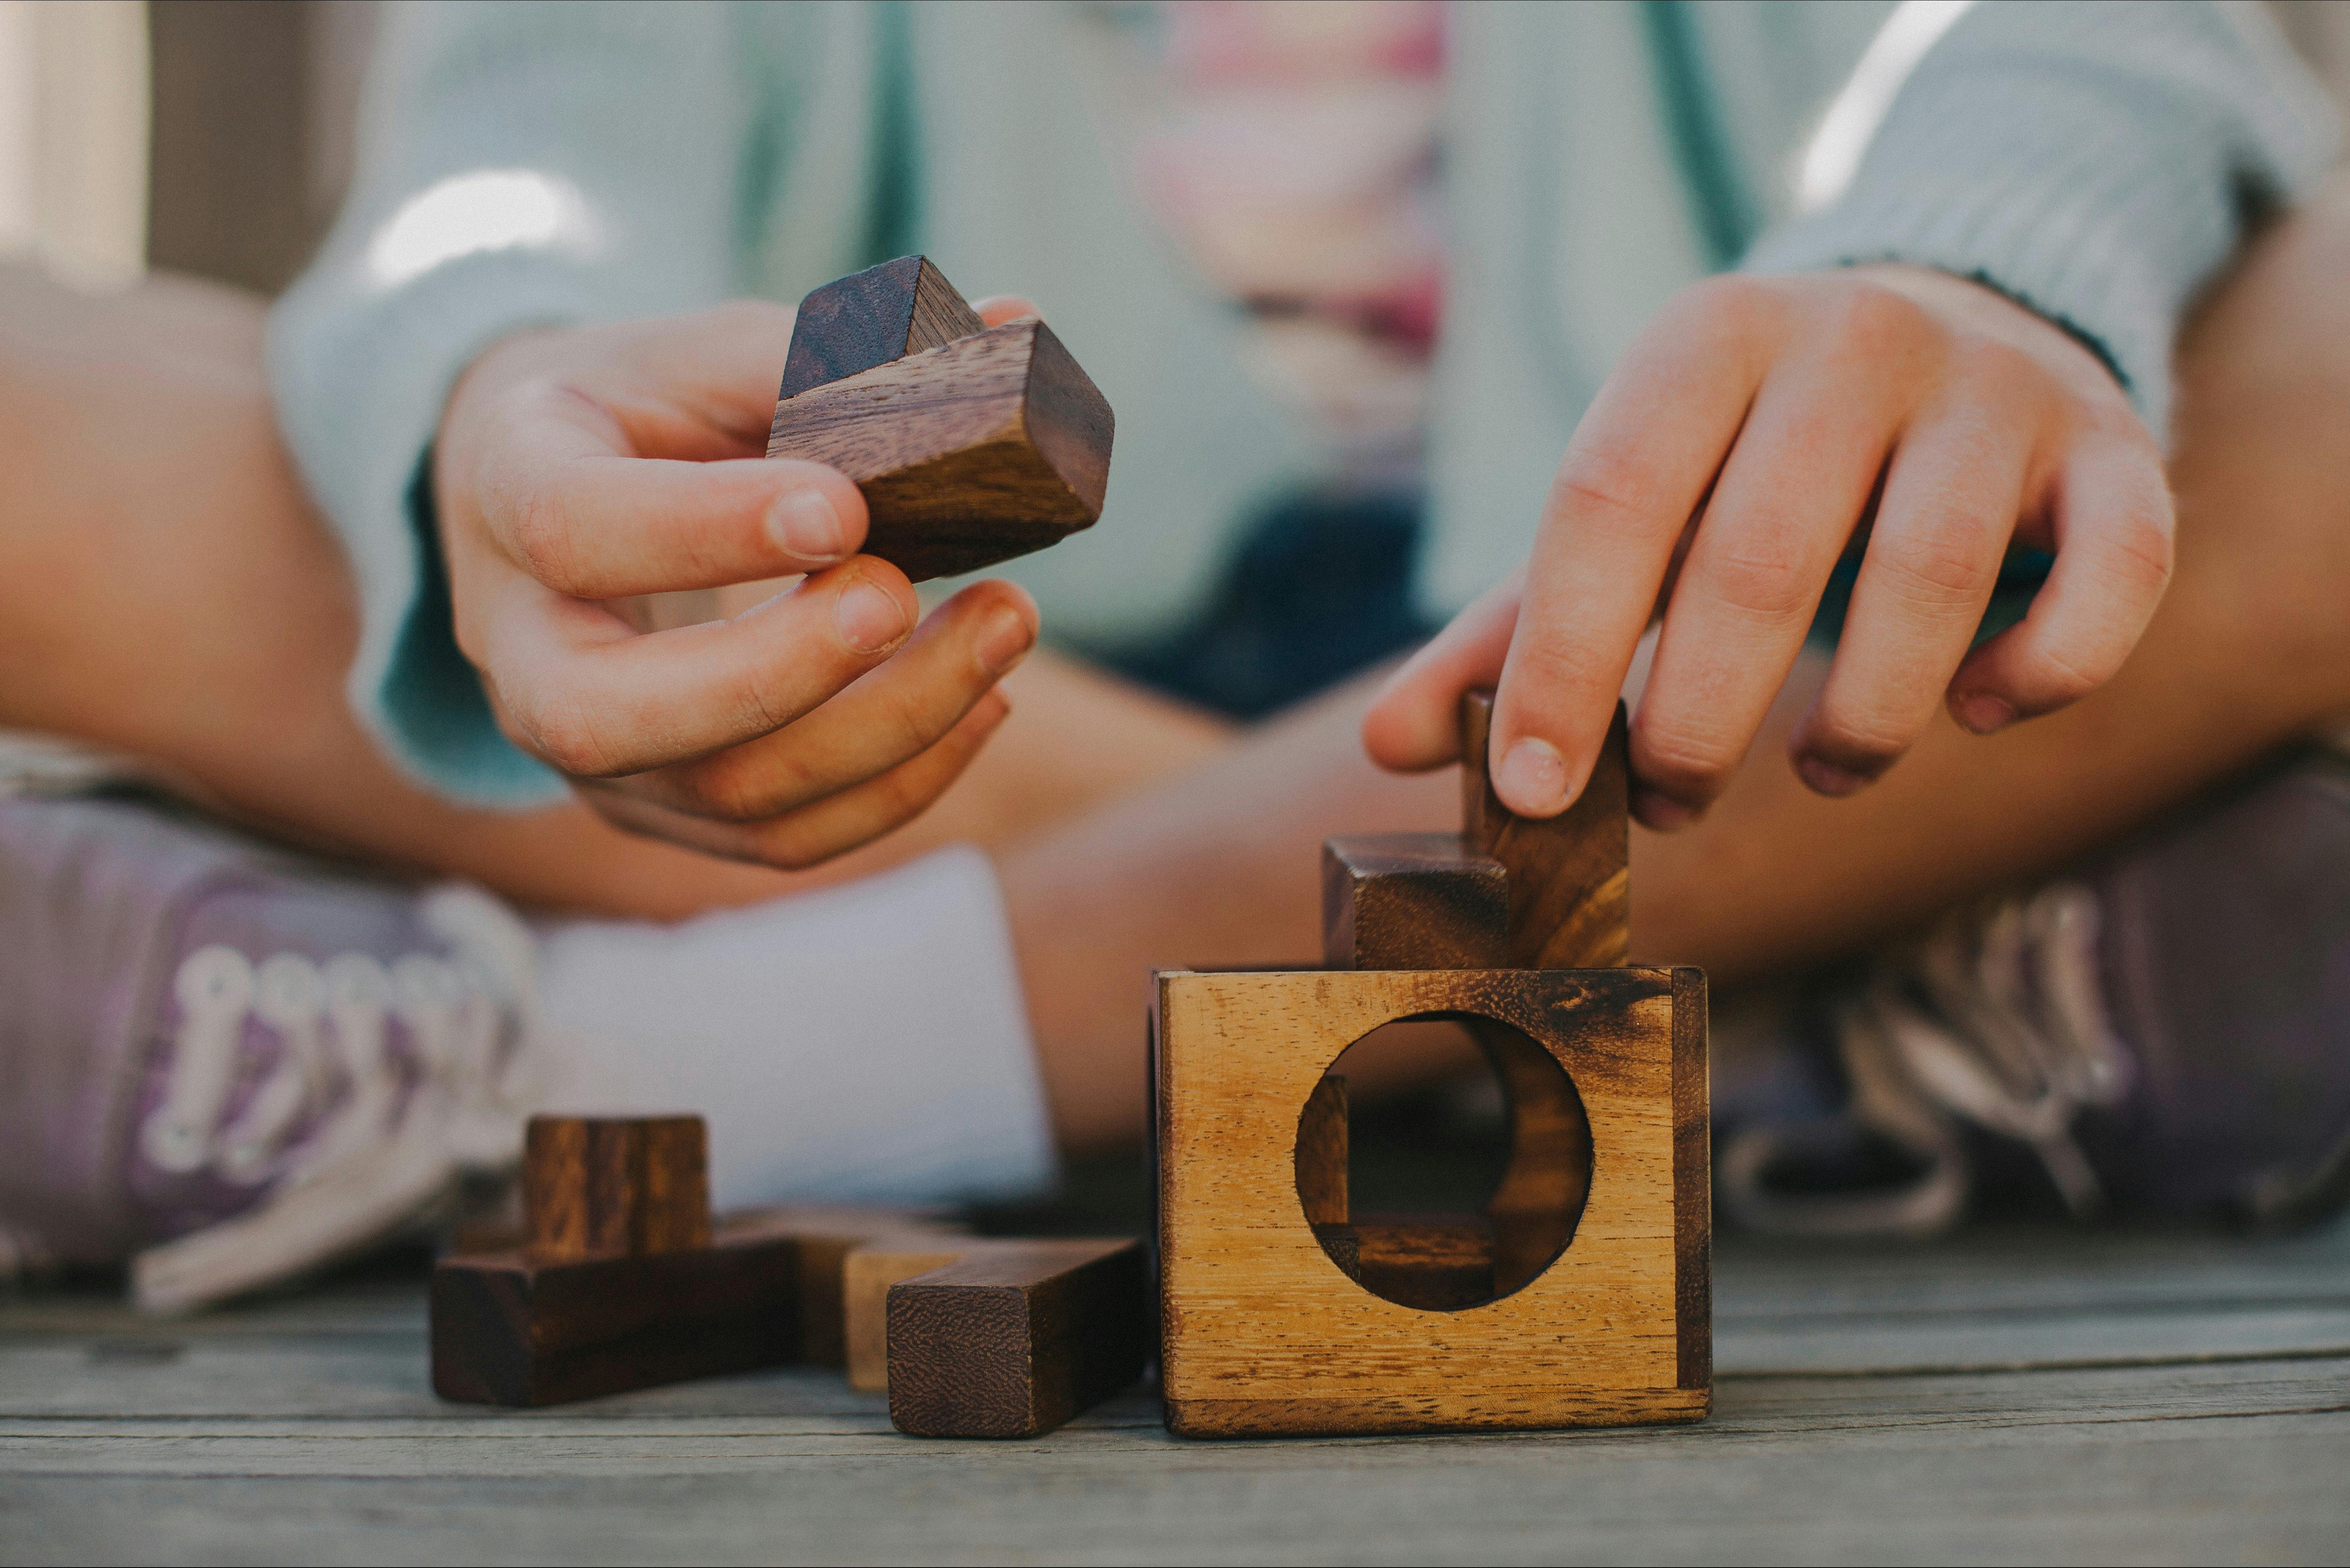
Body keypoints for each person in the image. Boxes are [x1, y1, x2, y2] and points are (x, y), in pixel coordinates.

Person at [4, 2, 2348, 1307]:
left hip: (1639, 667)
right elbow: (517, 151)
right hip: (972, 701)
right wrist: (510, 394)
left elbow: (2098, 41)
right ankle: (1762, 1009)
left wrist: (1960, 282)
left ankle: (661, 1065)